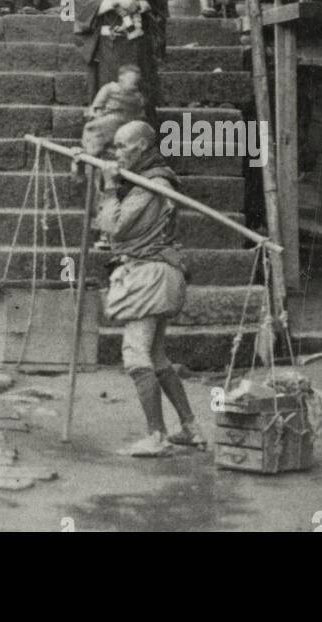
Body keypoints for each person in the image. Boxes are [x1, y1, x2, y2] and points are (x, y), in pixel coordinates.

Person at [94, 121, 204, 456]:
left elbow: (114, 226)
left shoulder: (151, 182)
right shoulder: (149, 179)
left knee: (134, 353)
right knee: (156, 355)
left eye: (124, 146)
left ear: (143, 146)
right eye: (115, 146)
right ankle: (192, 428)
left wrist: (110, 189)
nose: (118, 153)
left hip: (149, 274)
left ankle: (156, 436)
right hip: (158, 272)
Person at [70, 0, 161, 121]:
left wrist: (141, 4)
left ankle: (140, 133)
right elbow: (84, 7)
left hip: (132, 41)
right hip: (103, 46)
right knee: (107, 92)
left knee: (137, 87)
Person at [81, 62, 147, 158]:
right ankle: (92, 152)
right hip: (109, 118)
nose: (134, 84)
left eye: (136, 82)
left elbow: (140, 113)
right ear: (121, 79)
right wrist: (97, 116)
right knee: (94, 127)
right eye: (131, 80)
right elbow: (98, 105)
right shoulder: (110, 88)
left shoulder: (137, 96)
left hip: (128, 120)